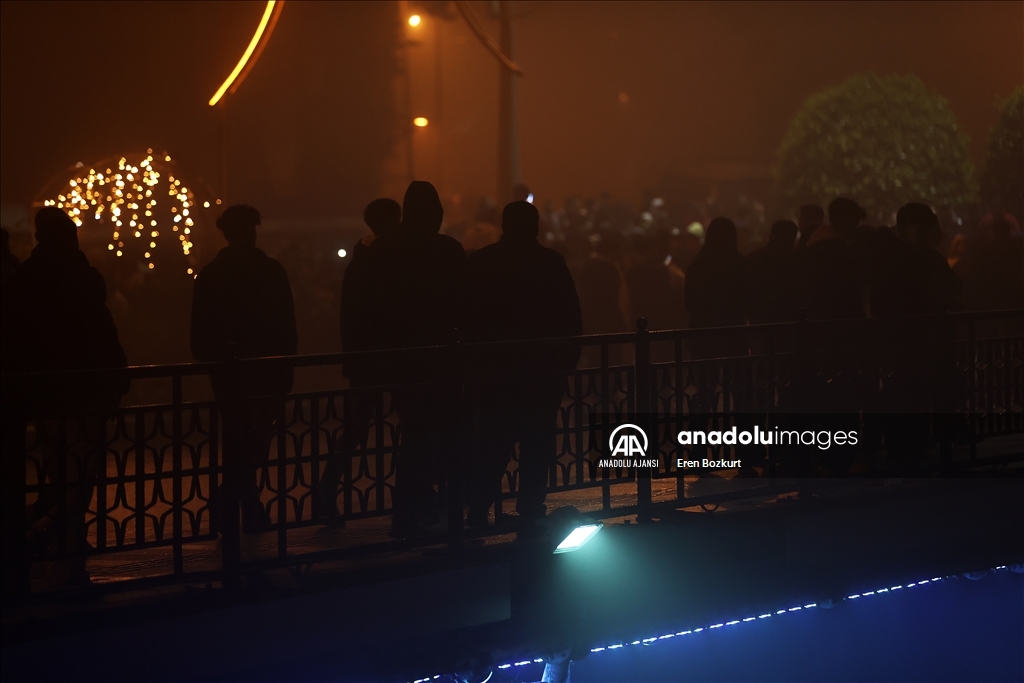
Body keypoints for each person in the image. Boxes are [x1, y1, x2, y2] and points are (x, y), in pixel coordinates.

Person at [1, 207, 129, 587]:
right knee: (79, 477)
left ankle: (56, 542)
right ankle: (60, 546)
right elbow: (101, 336)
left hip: (46, 396)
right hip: (84, 393)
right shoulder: (82, 279)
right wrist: (114, 383)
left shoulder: (26, 281)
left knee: (60, 474)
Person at [464, 200, 582, 534]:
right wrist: (563, 365)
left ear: (504, 225)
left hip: (496, 373)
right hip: (542, 372)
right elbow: (570, 319)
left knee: (492, 444)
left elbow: (468, 317)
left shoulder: (483, 261)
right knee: (537, 444)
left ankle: (479, 510)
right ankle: (530, 509)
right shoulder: (551, 262)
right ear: (536, 226)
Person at [363, 181, 469, 537]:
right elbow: (465, 305)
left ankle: (409, 509)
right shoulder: (448, 250)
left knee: (414, 433)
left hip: (401, 359)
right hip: (443, 359)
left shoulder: (383, 250)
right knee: (446, 434)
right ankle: (439, 509)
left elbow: (371, 308)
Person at [190, 204, 297, 534]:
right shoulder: (271, 271)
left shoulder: (211, 275)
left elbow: (200, 331)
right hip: (265, 369)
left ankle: (235, 501)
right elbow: (286, 325)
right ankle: (244, 502)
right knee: (257, 438)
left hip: (228, 372)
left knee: (236, 437)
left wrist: (214, 359)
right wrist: (286, 367)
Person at [316, 198, 401, 519]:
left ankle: (326, 490)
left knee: (355, 428)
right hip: (393, 356)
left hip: (365, 358)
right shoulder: (390, 259)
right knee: (417, 424)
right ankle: (418, 495)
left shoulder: (360, 260)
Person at [685, 217, 749, 358]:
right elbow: (748, 299)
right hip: (734, 334)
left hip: (703, 335)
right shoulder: (742, 265)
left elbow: (689, 303)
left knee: (706, 371)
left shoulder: (697, 267)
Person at [797, 198, 866, 320]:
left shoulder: (817, 244)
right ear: (841, 221)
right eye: (853, 223)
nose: (855, 228)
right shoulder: (835, 251)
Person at [746, 219, 799, 324]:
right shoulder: (796, 262)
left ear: (771, 236)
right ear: (792, 239)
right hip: (789, 322)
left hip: (759, 320)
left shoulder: (753, 259)